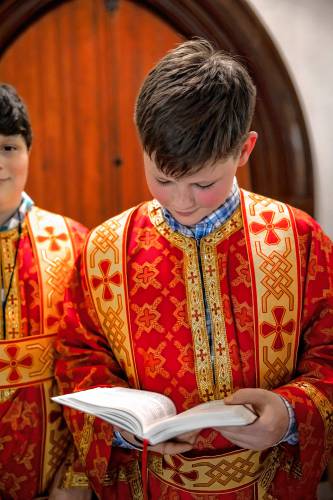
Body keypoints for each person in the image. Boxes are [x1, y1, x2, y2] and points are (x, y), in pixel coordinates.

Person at [55, 39, 333, 499]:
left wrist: (289, 413)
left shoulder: (297, 240)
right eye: (163, 179)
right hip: (151, 485)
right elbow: (78, 361)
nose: (182, 201)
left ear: (245, 150)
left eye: (203, 183)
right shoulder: (104, 250)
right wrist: (130, 433)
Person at [0, 83, 93, 499]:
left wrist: (75, 478)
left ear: (28, 151)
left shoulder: (73, 244)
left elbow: (95, 373)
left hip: (54, 483)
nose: (0, 163)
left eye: (9, 147)